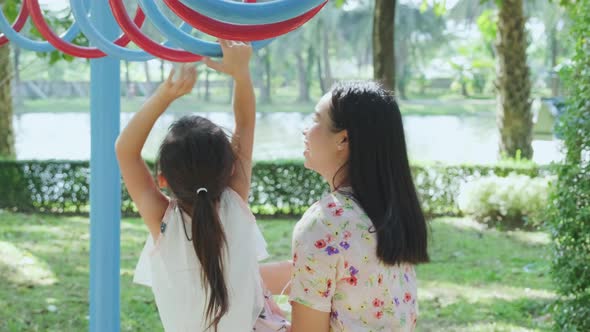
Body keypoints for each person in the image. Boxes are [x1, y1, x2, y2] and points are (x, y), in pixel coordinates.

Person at [116, 40, 288, 332]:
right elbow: (245, 123)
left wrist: (166, 94)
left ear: (163, 179)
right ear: (231, 167)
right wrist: (241, 72)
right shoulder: (235, 200)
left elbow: (125, 150)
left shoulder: (164, 222)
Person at [261, 81, 430, 331]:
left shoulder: (325, 221)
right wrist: (233, 278)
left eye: (316, 119)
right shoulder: (388, 214)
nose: (305, 130)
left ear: (343, 138)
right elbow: (336, 271)